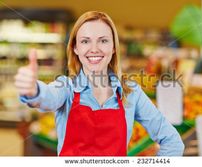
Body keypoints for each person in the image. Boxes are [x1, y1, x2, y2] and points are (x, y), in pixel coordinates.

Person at [14, 11, 184, 156]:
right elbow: (47, 98)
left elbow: (173, 142)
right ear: (75, 48)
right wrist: (33, 90)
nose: (94, 48)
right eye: (85, 41)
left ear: (114, 47)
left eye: (103, 40)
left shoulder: (131, 92)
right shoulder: (66, 88)